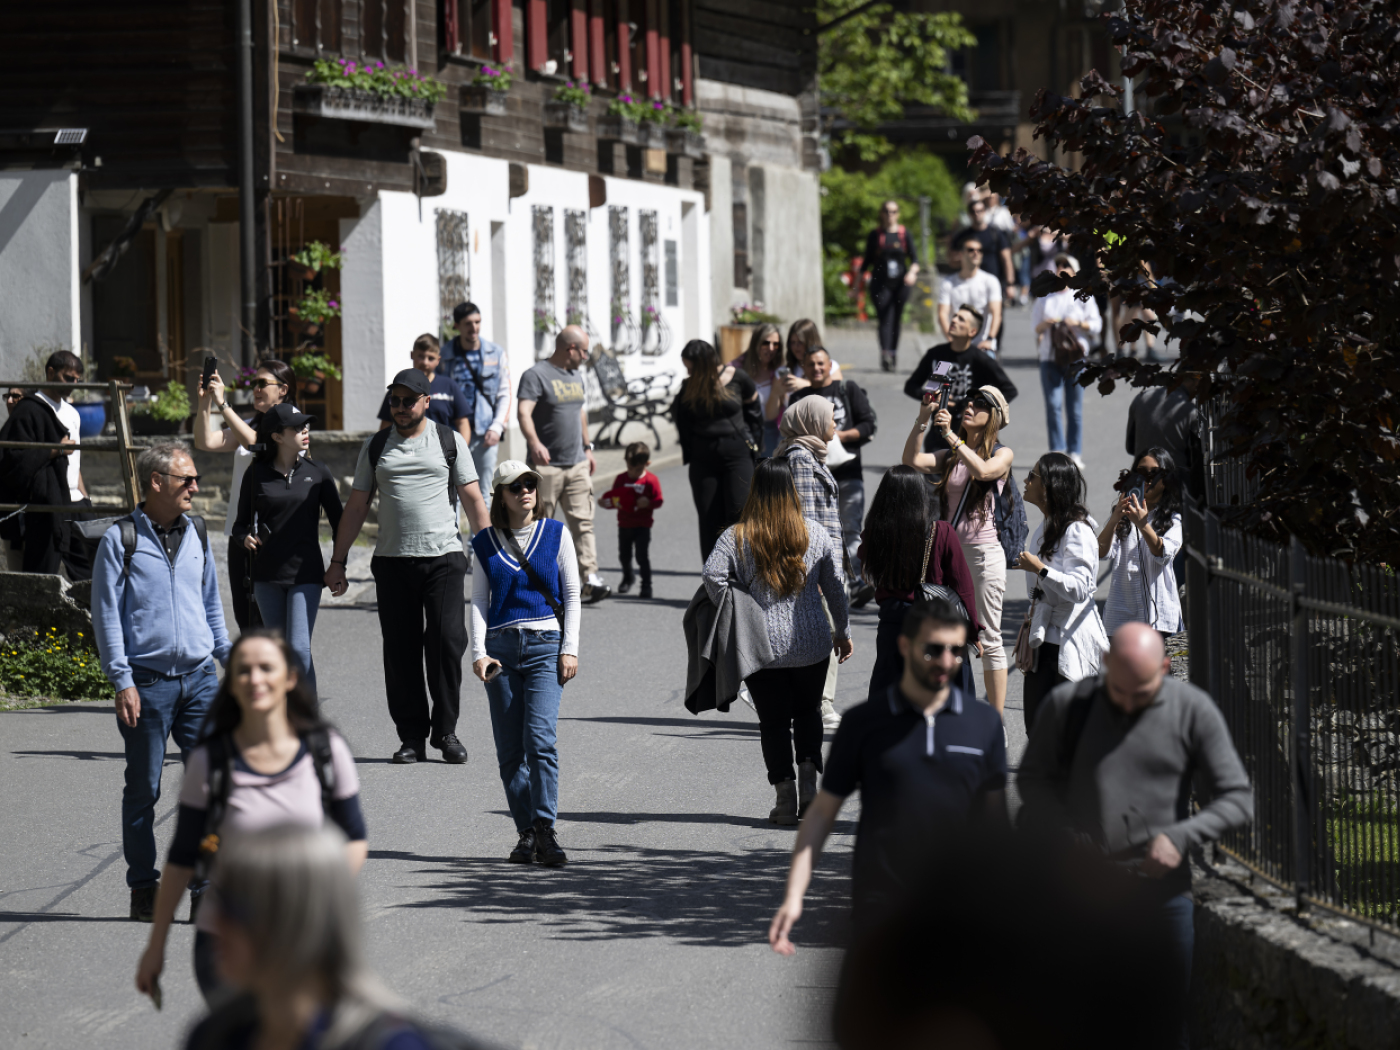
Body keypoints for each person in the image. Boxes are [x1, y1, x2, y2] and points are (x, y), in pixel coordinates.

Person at [1018, 623, 1254, 1050]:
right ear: (1105, 664)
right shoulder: (1067, 707)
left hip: (1163, 898)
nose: (1126, 705)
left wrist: (1181, 836)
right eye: (1118, 689)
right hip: (1084, 893)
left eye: (1141, 692)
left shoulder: (1192, 711)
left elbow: (1237, 799)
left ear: (1165, 669)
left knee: (1164, 1021)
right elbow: (1032, 783)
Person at [134, 631, 367, 1002]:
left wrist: (319, 899)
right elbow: (181, 858)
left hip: (301, 936)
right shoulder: (210, 760)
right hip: (225, 941)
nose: (255, 678)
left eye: (266, 668)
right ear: (232, 684)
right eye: (243, 671)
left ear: (290, 677)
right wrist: (156, 946)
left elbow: (354, 838)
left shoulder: (325, 750)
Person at [768, 597, 1007, 949]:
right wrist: (794, 895)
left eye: (956, 651)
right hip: (879, 906)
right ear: (905, 645)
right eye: (933, 649)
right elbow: (821, 816)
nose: (946, 661)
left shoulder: (983, 724)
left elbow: (996, 825)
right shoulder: (863, 724)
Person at [175, 826, 477, 1050]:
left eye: (231, 906)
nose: (212, 921)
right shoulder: (213, 1036)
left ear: (293, 921)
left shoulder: (389, 1043)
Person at [91, 442, 230, 922]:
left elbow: (211, 604)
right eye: (186, 479)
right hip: (146, 687)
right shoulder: (121, 539)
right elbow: (107, 617)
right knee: (142, 792)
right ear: (157, 482)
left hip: (200, 681)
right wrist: (122, 680)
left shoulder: (198, 530)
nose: (196, 486)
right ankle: (143, 888)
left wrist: (228, 658)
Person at [326, 368, 490, 765]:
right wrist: (337, 561)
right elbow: (357, 506)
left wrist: (492, 559)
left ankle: (445, 730)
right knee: (400, 652)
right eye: (395, 401)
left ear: (426, 402)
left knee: (447, 642)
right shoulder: (377, 444)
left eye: (408, 400)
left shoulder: (450, 440)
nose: (400, 408)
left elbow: (473, 501)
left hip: (444, 558)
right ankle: (412, 737)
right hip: (392, 561)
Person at [703, 459, 852, 825]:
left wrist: (740, 602)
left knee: (772, 722)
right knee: (808, 713)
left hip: (760, 646)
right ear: (790, 491)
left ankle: (784, 799)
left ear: (756, 491)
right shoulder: (814, 533)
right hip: (812, 643)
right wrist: (842, 631)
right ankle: (808, 787)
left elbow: (712, 574)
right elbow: (835, 587)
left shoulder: (737, 535)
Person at [470, 460, 582, 867]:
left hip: (544, 645)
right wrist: (478, 653)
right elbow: (480, 601)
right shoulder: (484, 543)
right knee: (509, 752)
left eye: (530, 484)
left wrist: (569, 647)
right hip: (500, 649)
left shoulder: (555, 534)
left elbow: (572, 593)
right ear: (501, 494)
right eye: (515, 486)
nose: (525, 491)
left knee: (540, 742)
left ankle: (546, 830)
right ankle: (526, 833)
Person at [902, 386, 1015, 716]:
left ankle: (994, 722)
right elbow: (912, 460)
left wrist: (950, 434)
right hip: (950, 555)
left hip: (982, 556)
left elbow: (983, 472)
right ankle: (954, 709)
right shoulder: (953, 454)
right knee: (951, 635)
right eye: (969, 400)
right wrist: (922, 421)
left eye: (980, 404)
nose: (970, 405)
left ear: (992, 416)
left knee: (989, 639)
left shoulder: (1001, 453)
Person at [232, 404, 343, 696]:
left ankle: (307, 722)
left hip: (305, 575)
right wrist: (244, 538)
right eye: (296, 428)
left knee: (298, 649)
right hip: (266, 576)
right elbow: (239, 525)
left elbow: (340, 524)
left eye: (305, 426)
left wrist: (338, 565)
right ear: (277, 436)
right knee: (279, 653)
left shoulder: (318, 472)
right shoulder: (255, 474)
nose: (304, 431)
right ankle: (285, 716)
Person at [856, 466, 981, 697]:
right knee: (942, 694)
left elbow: (866, 568)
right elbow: (963, 588)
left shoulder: (875, 532)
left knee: (890, 698)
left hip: (892, 622)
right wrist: (972, 631)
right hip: (933, 620)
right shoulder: (941, 532)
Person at [196, 358, 297, 631]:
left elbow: (258, 446)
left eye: (263, 383)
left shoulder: (292, 421)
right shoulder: (254, 422)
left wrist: (223, 405)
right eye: (254, 383)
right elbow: (206, 441)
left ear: (283, 390)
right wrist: (206, 401)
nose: (256, 389)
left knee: (272, 624)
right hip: (240, 532)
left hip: (272, 535)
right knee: (247, 620)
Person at [1014, 452, 1109, 733]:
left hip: (1068, 638)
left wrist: (1041, 569)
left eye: (1032, 476)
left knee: (1067, 731)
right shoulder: (1043, 529)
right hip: (1043, 641)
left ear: (1049, 486)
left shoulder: (1077, 530)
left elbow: (1080, 589)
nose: (1025, 480)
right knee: (1037, 727)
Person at [518, 325, 609, 603]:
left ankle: (590, 578)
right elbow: (524, 412)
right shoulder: (536, 375)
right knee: (540, 525)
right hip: (546, 466)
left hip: (577, 463)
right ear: (570, 348)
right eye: (583, 351)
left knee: (584, 522)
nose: (585, 357)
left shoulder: (575, 375)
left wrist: (587, 447)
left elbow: (580, 411)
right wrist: (534, 443)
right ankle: (538, 582)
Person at [773, 397, 846, 731]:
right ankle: (820, 704)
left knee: (822, 632)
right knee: (825, 632)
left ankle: (811, 701)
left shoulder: (811, 454)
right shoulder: (801, 459)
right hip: (816, 565)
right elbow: (804, 519)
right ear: (812, 421)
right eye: (831, 418)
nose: (835, 424)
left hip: (824, 561)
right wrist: (813, 568)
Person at [788, 347, 876, 598]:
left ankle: (853, 581)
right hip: (812, 478)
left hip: (848, 473)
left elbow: (868, 425)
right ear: (803, 368)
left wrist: (836, 437)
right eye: (811, 364)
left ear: (829, 365)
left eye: (821, 363)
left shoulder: (847, 390)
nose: (816, 368)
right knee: (813, 532)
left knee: (849, 530)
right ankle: (820, 585)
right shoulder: (799, 397)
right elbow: (790, 433)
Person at [671, 338, 762, 561]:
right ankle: (713, 583)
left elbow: (755, 413)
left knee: (740, 516)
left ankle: (744, 577)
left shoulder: (738, 377)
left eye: (691, 368)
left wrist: (757, 448)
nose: (688, 372)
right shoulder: (689, 387)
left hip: (738, 457)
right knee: (709, 519)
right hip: (703, 461)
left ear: (704, 364)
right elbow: (682, 420)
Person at [0, 352, 80, 574]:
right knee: (26, 582)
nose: (73, 384)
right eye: (68, 378)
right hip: (26, 515)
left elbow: (74, 468)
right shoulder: (29, 411)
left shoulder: (68, 413)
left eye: (77, 380)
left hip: (56, 511)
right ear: (51, 373)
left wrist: (84, 496)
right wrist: (55, 450)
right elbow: (11, 460)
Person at [905, 304, 1019, 454]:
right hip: (937, 433)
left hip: (968, 437)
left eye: (961, 319)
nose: (954, 320)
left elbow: (1009, 390)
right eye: (954, 316)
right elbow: (911, 386)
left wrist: (980, 406)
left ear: (972, 331)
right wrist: (931, 397)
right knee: (932, 476)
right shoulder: (938, 355)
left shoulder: (980, 360)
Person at [1100, 448, 1185, 639]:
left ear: (1166, 480)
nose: (1147, 479)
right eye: (1141, 472)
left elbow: (1163, 553)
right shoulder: (1123, 515)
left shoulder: (1174, 518)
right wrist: (1114, 519)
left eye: (1154, 473)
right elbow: (1100, 552)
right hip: (1121, 616)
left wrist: (1142, 524)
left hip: (1159, 618)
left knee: (1159, 670)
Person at [1031, 252, 1102, 471]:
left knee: (1075, 409)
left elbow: (1097, 326)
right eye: (1058, 264)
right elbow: (1036, 328)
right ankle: (1057, 452)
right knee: (1053, 406)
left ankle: (1074, 452)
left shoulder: (1083, 296)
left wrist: (1078, 322)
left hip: (1075, 360)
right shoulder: (1044, 297)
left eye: (1067, 265)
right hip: (1050, 358)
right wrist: (1048, 323)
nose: (1062, 268)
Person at [440, 301, 512, 501]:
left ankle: (480, 533)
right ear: (456, 325)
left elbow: (505, 393)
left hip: (484, 433)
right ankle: (452, 534)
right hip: (452, 433)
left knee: (483, 494)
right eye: (468, 323)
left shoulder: (496, 353)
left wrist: (497, 426)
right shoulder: (444, 355)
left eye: (477, 322)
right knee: (450, 491)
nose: (474, 328)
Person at [376, 333, 472, 443]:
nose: (425, 362)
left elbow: (462, 423)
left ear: (438, 360)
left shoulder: (449, 386)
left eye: (431, 358)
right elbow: (385, 426)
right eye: (421, 356)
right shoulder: (398, 388)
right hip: (404, 451)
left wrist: (461, 452)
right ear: (412, 355)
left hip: (442, 453)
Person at [860, 201, 920, 372]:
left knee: (896, 319)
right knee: (885, 317)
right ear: (881, 213)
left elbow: (915, 260)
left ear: (898, 214)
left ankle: (893, 354)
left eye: (893, 211)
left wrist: (912, 273)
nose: (890, 215)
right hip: (880, 283)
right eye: (886, 211)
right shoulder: (876, 235)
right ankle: (885, 353)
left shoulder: (903, 233)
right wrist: (856, 286)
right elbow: (866, 261)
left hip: (901, 283)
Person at [599, 441, 663, 599]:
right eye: (630, 468)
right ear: (625, 463)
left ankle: (646, 585)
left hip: (643, 525)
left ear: (647, 464)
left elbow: (659, 500)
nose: (633, 473)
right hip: (624, 524)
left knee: (642, 556)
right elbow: (614, 498)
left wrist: (648, 503)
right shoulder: (621, 479)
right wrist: (605, 502)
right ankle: (628, 578)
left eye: (638, 469)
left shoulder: (651, 480)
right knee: (624, 556)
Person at [937, 238, 1004, 353]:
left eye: (980, 250)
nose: (976, 253)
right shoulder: (948, 282)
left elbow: (996, 313)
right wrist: (951, 339)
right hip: (956, 343)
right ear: (961, 254)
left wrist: (990, 339)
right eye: (971, 250)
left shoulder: (990, 281)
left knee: (987, 370)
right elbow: (942, 314)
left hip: (982, 346)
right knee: (940, 370)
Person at [950, 196, 1014, 301]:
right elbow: (952, 260)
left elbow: (1006, 259)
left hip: (993, 284)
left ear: (985, 211)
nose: (977, 214)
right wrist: (965, 259)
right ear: (969, 214)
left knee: (995, 315)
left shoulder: (996, 234)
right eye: (973, 211)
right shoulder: (962, 236)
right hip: (968, 285)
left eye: (980, 211)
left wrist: (1010, 283)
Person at [736, 323, 783, 456]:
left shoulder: (779, 371)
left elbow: (772, 415)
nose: (771, 348)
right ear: (756, 343)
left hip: (769, 432)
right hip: (742, 431)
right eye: (766, 343)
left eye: (776, 344)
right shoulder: (738, 368)